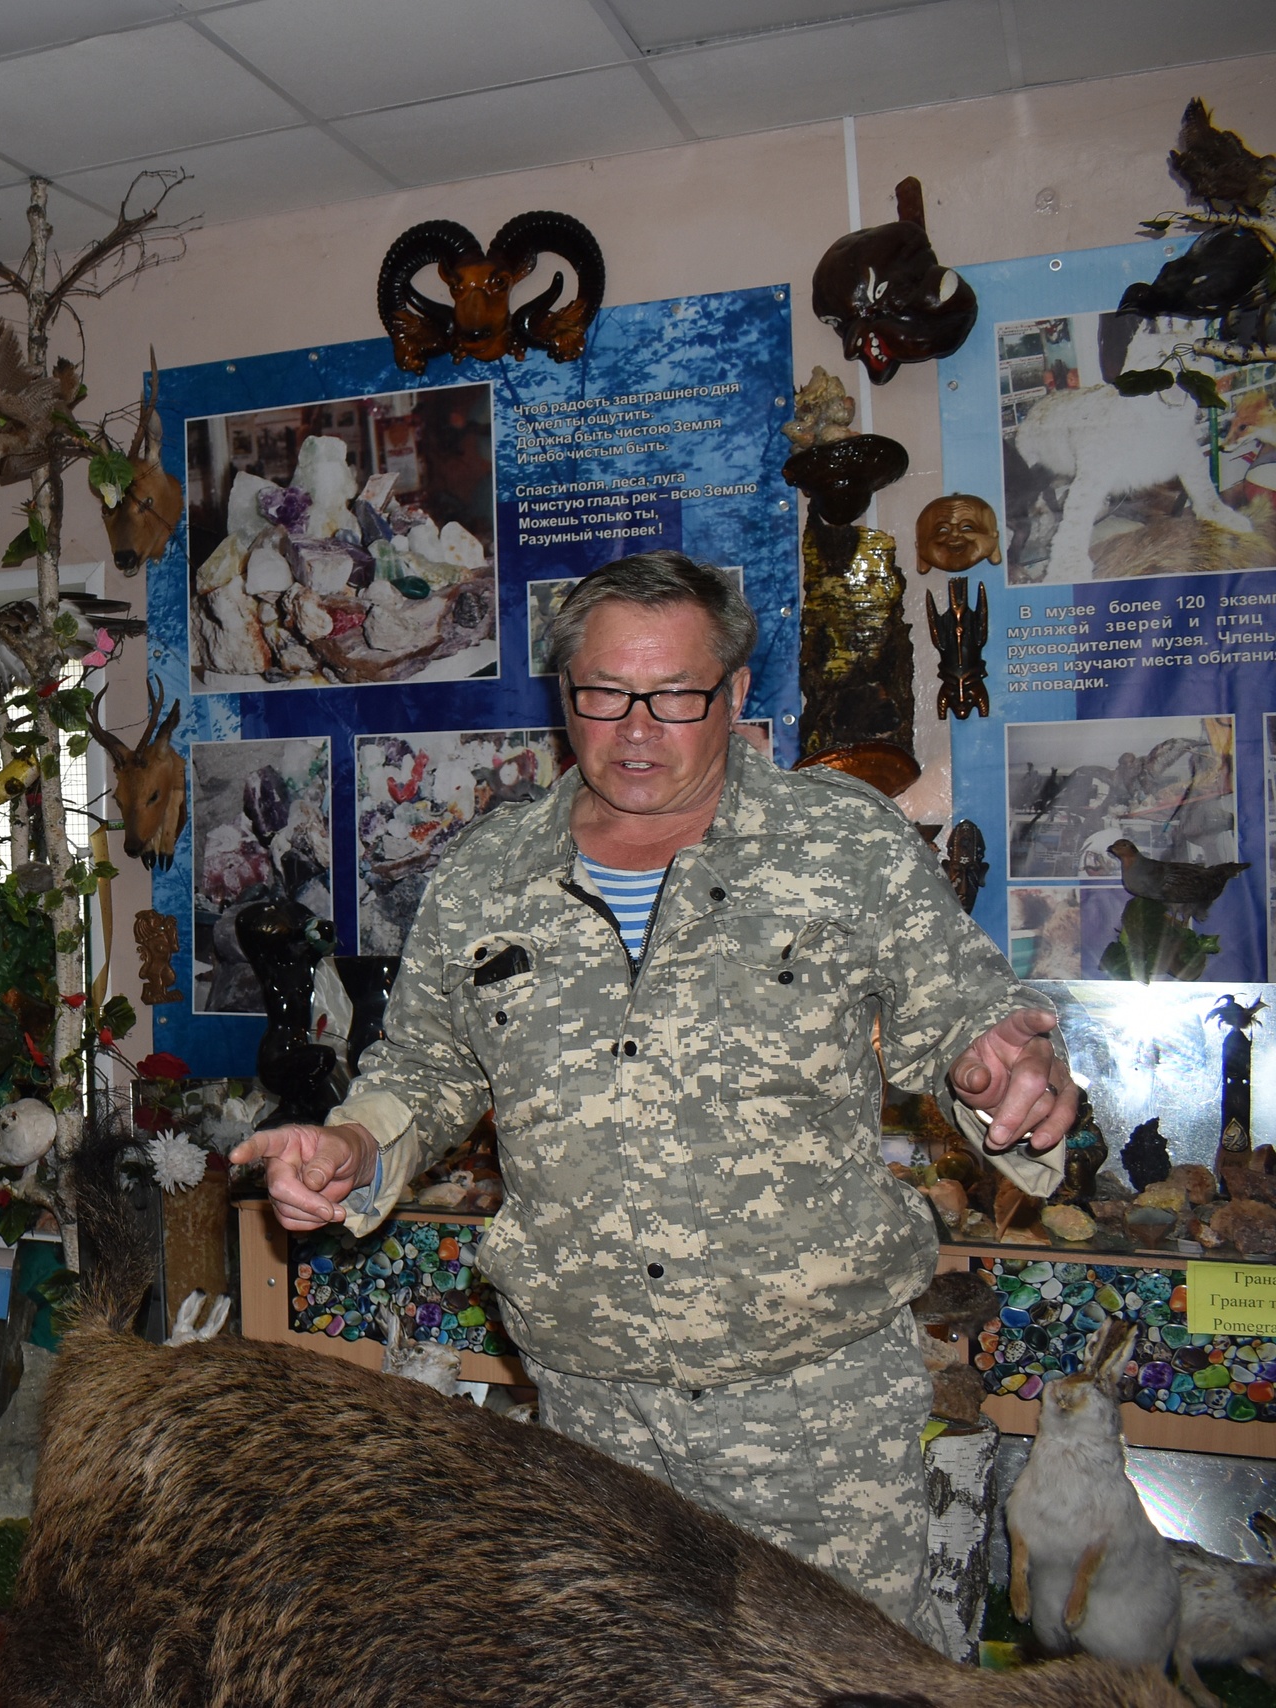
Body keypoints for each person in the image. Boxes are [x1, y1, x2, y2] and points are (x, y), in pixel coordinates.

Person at [235, 552, 1078, 1625]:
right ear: (563, 697)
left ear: (731, 692)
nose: (636, 728)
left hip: (812, 1419)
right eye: (604, 694)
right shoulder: (487, 875)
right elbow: (427, 1069)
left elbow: (963, 1008)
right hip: (593, 1418)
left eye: (675, 695)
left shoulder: (841, 844)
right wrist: (354, 1146)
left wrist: (1005, 1063)